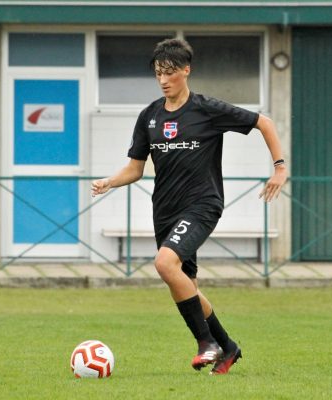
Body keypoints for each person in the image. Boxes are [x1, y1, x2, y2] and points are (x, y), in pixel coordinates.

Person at [91, 38, 288, 374]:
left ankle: (206, 343)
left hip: (202, 205)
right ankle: (228, 347)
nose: (163, 80)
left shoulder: (206, 109)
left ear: (186, 70)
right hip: (164, 211)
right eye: (158, 74)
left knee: (165, 263)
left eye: (169, 72)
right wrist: (111, 181)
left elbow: (264, 123)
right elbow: (136, 168)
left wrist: (280, 167)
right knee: (186, 286)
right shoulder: (149, 117)